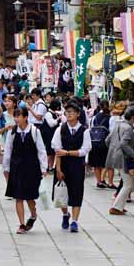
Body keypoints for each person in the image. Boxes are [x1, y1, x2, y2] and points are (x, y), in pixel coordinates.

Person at [2, 104, 43, 233]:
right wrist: (6, 167)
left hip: (31, 167)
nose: (16, 119)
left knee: (30, 197)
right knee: (18, 196)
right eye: (15, 116)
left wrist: (44, 168)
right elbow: (8, 149)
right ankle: (21, 224)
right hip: (17, 167)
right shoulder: (12, 132)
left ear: (26, 117)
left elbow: (41, 150)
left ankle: (33, 214)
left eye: (19, 116)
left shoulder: (34, 131)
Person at [53, 99, 90, 232]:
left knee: (77, 192)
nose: (69, 114)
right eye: (67, 112)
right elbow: (57, 150)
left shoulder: (84, 130)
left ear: (78, 114)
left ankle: (74, 221)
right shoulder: (60, 129)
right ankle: (65, 214)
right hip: (63, 165)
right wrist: (58, 169)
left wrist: (68, 152)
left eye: (72, 112)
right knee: (62, 193)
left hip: (77, 165)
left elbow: (84, 150)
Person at [107, 106, 134, 215]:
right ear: (132, 118)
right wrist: (133, 155)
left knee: (131, 181)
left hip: (115, 157)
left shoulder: (118, 124)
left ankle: (119, 205)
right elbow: (123, 144)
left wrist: (114, 150)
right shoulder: (128, 128)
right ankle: (116, 207)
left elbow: (107, 140)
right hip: (124, 159)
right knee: (129, 183)